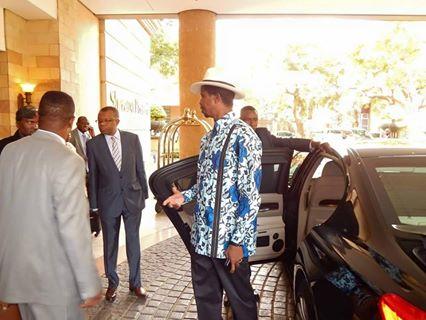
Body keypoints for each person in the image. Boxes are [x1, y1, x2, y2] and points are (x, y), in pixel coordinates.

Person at [163, 67, 262, 320]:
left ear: (216, 97)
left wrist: (238, 243)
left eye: (203, 96)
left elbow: (250, 195)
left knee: (242, 305)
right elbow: (205, 185)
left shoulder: (244, 136)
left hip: (229, 244)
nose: (200, 102)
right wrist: (183, 196)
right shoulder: (208, 139)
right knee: (206, 305)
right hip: (203, 241)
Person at [0, 91, 102, 320]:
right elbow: (73, 227)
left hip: (15, 274)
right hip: (53, 280)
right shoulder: (68, 160)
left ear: (40, 115)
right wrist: (88, 283)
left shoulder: (9, 152)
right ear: (71, 121)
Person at [87, 106, 149, 302]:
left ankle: (136, 282)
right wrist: (94, 204)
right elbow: (93, 176)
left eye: (107, 120)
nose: (103, 124)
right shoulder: (93, 144)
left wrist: (144, 195)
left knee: (133, 242)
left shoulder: (132, 139)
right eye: (100, 121)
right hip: (108, 202)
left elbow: (140, 167)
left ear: (117, 121)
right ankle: (112, 283)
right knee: (110, 244)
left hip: (132, 199)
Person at [240, 105, 328, 152]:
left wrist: (313, 144)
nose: (252, 123)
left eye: (255, 119)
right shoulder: (232, 137)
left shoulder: (263, 134)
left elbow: (288, 142)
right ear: (240, 120)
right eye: (248, 119)